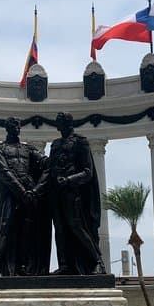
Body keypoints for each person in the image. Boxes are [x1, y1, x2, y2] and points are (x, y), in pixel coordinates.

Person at [38, 112, 106, 275]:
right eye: (57, 123)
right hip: (55, 192)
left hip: (72, 192)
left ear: (69, 124)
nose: (58, 126)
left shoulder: (81, 142)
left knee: (77, 227)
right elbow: (49, 168)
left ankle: (96, 261)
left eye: (60, 123)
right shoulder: (55, 145)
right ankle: (65, 265)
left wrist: (69, 180)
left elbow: (87, 172)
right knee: (60, 229)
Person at [0, 117, 50, 276]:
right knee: (6, 226)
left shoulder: (28, 149)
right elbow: (4, 172)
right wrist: (22, 192)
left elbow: (45, 163)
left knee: (27, 229)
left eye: (19, 125)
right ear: (7, 127)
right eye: (14, 125)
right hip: (12, 192)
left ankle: (23, 265)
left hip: (29, 192)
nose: (18, 128)